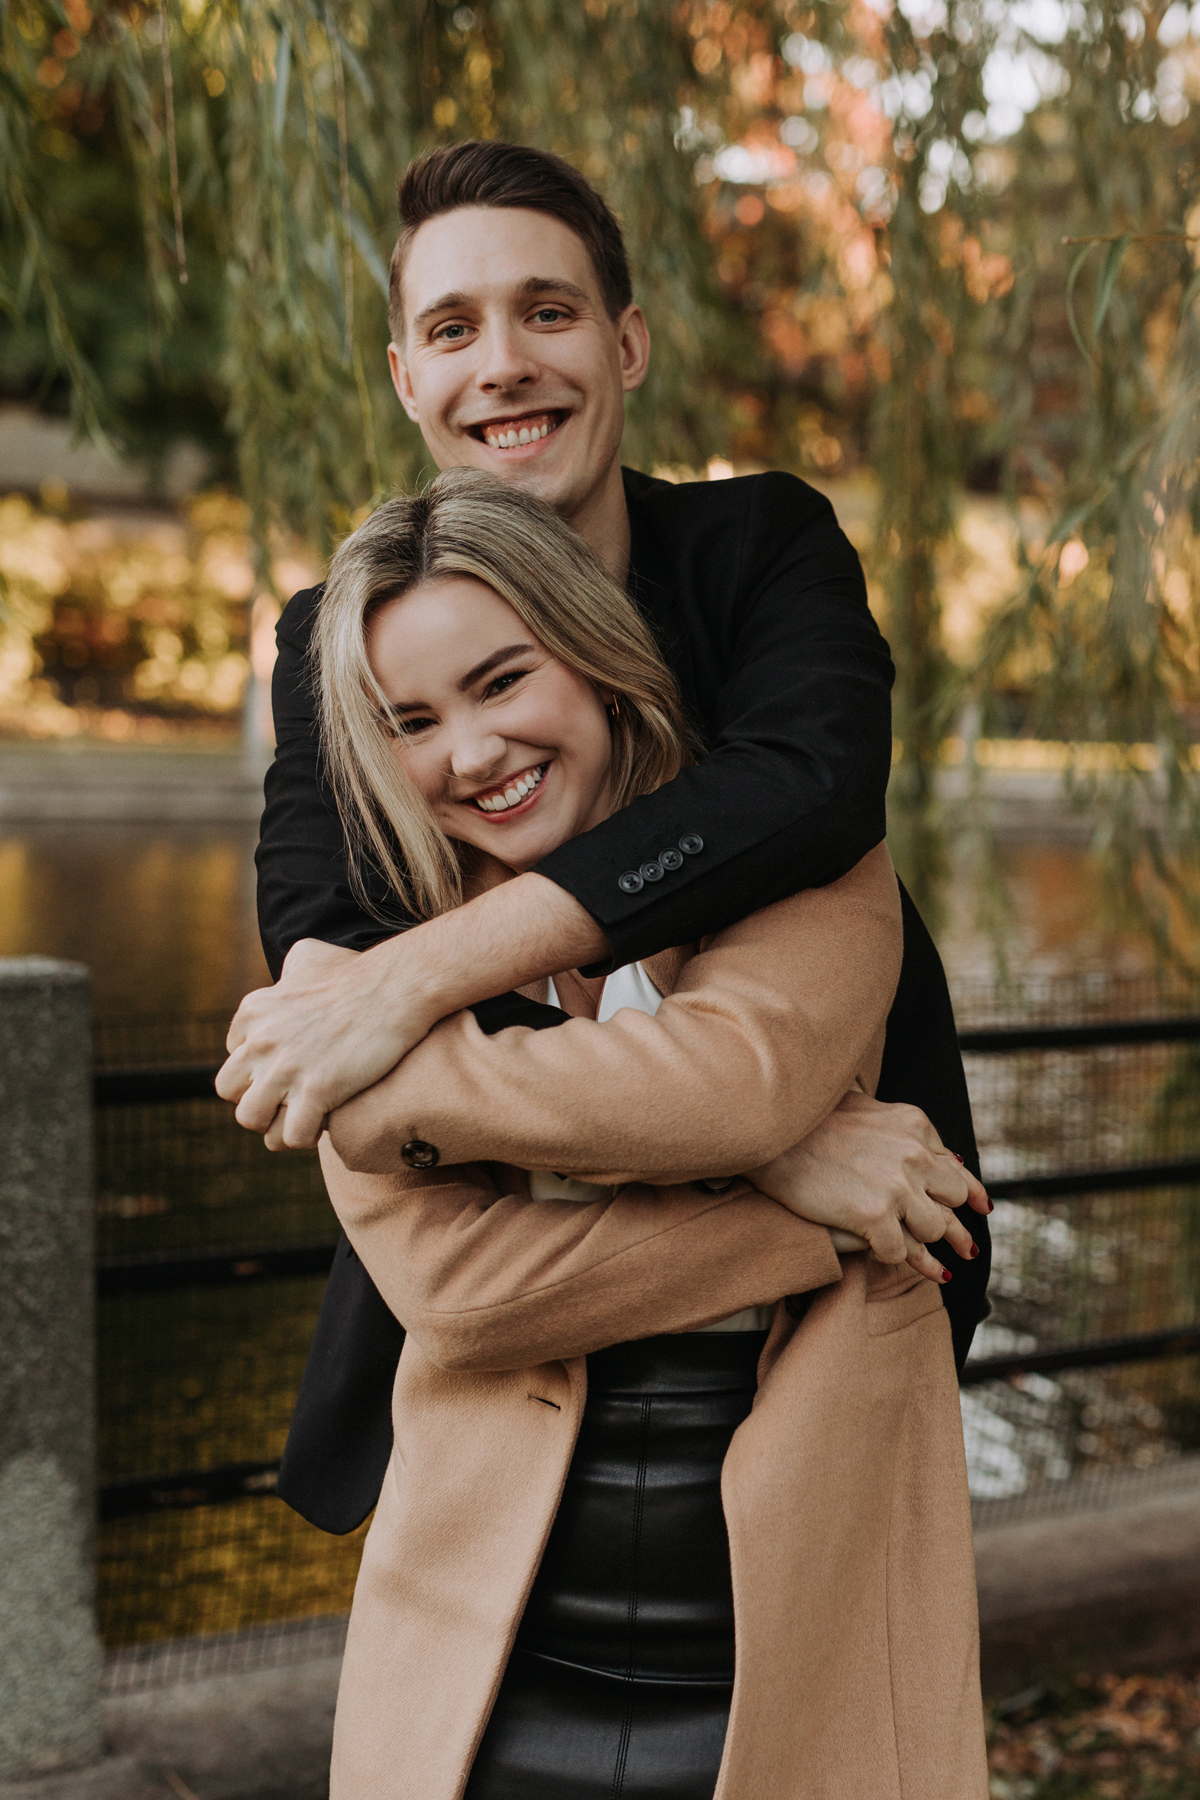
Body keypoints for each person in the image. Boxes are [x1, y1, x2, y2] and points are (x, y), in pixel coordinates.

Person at [216, 138, 990, 1531]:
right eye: (453, 329)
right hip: (511, 1341)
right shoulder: (336, 641)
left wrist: (419, 978)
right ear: (407, 378)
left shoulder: (761, 546)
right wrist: (767, 1146)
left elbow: (806, 791)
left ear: (626, 345)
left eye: (548, 312)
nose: (501, 363)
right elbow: (323, 960)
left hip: (840, 1315)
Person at [307, 468, 988, 1799]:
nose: (471, 752)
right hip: (491, 1623)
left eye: (505, 682)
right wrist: (802, 1197)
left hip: (801, 1609)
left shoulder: (808, 858)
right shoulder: (381, 941)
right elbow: (457, 1298)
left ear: (603, 662)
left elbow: (734, 1085)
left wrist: (399, 1086)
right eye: (414, 720)